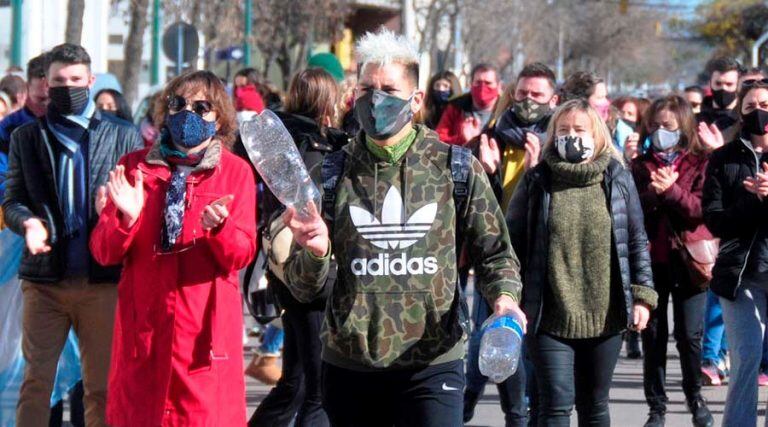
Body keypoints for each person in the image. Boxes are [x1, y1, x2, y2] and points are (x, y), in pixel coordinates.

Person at [281, 29, 523, 427]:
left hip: (433, 363)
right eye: (367, 88)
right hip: (350, 365)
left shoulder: (455, 168)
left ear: (416, 101)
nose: (376, 99)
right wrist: (316, 251)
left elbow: (495, 251)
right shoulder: (330, 173)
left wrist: (505, 298)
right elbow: (303, 287)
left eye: (389, 89)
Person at [89, 70, 256, 426]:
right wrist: (126, 219)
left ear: (220, 116)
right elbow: (104, 252)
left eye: (201, 106)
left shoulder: (235, 173)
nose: (187, 113)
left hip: (202, 340)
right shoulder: (133, 167)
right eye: (178, 104)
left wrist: (220, 229)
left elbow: (242, 253)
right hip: (145, 333)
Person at [2, 43, 142, 426]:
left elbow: (141, 206)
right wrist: (28, 223)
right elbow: (12, 200)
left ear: (91, 81)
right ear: (45, 84)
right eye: (59, 81)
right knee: (35, 383)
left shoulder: (123, 136)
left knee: (101, 386)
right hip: (44, 282)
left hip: (102, 281)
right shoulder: (27, 138)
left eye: (76, 80)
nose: (68, 87)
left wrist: (117, 213)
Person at [507, 99, 657, 426]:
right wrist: (507, 296)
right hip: (548, 316)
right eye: (563, 130)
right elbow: (511, 242)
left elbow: (635, 240)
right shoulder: (537, 181)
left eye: (579, 130)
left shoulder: (618, 178)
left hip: (606, 316)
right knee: (556, 405)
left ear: (597, 135)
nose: (571, 137)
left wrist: (643, 296)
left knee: (595, 406)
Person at [249, 67, 347, 427]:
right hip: (311, 272)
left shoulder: (277, 137)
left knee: (296, 381)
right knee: (316, 389)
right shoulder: (317, 147)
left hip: (285, 271)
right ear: (328, 101)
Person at [465, 62, 560, 426]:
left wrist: (537, 172)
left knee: (532, 350)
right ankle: (478, 407)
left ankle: (522, 415)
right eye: (522, 94)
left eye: (537, 95)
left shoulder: (559, 142)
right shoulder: (493, 136)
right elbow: (475, 207)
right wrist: (487, 173)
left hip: (540, 259)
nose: (528, 101)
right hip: (495, 258)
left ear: (553, 99)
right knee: (488, 341)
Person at [630, 95, 715, 427]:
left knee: (689, 336)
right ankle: (657, 407)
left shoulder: (701, 161)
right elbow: (632, 210)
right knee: (653, 335)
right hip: (651, 262)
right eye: (655, 125)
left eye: (668, 125)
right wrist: (656, 192)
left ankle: (695, 398)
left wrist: (671, 191)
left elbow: (699, 209)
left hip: (690, 263)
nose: (660, 131)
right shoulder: (640, 165)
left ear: (683, 126)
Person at [702, 79, 768, 426]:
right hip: (740, 277)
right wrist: (753, 200)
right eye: (751, 107)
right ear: (740, 114)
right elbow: (714, 220)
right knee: (746, 357)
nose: (759, 112)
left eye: (766, 105)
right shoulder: (723, 159)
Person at [0, 54, 49, 200]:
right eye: (40, 99)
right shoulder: (8, 128)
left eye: (52, 99)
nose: (47, 106)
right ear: (27, 89)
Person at [436, 63, 501, 145]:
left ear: (499, 86)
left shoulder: (506, 111)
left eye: (488, 83)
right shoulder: (455, 107)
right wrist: (462, 138)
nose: (482, 87)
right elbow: (438, 141)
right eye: (478, 82)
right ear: (471, 84)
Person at [697, 57, 741, 149]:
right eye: (718, 83)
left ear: (737, 85)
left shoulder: (744, 120)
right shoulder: (697, 121)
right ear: (710, 83)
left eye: (729, 84)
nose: (723, 88)